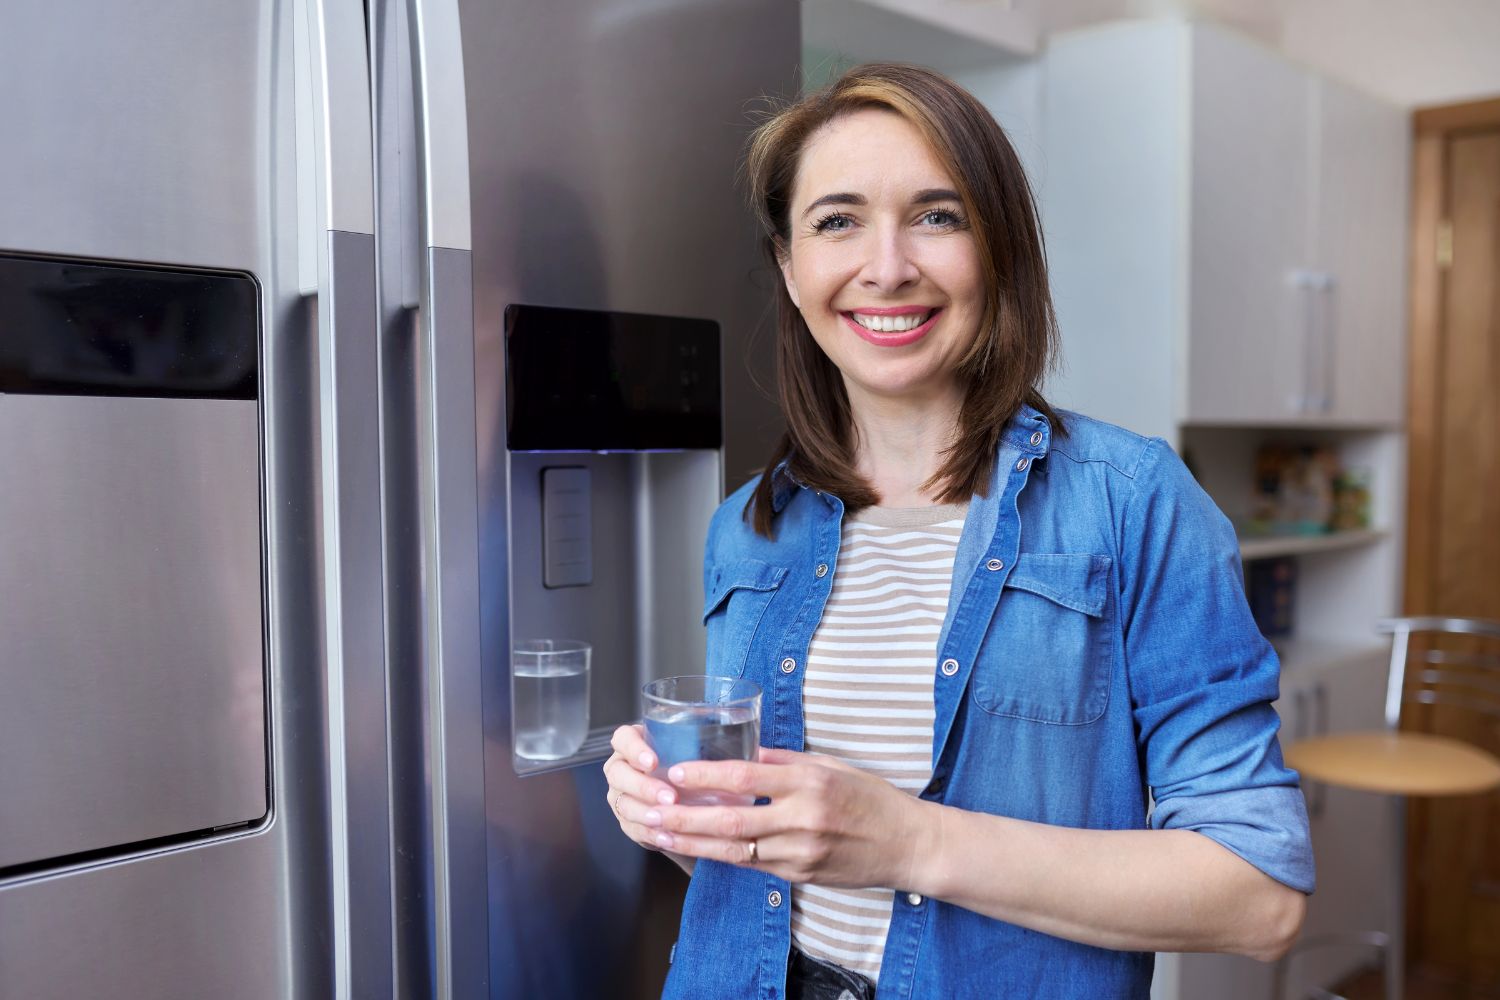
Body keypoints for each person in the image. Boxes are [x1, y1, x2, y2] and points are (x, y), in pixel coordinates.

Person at [603, 63, 1313, 1000]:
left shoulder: (1133, 502)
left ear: (999, 250)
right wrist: (682, 818)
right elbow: (780, 871)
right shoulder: (748, 525)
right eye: (837, 220)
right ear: (789, 264)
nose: (886, 265)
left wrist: (912, 841)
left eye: (938, 216)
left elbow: (1260, 895)